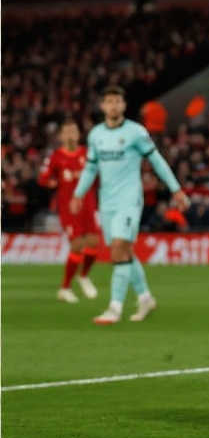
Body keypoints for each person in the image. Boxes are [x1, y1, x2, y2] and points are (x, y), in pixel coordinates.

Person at [71, 86, 189, 325]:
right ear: (103, 106)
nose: (113, 106)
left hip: (129, 200)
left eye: (117, 101)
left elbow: (157, 161)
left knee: (118, 248)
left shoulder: (136, 132)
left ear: (124, 105)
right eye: (109, 102)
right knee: (124, 252)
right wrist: (78, 194)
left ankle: (114, 308)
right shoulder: (96, 135)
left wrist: (175, 189)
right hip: (107, 203)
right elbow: (91, 168)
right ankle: (145, 298)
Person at [37, 120, 101, 303]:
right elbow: (43, 178)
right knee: (77, 244)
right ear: (61, 136)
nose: (71, 135)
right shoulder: (55, 156)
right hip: (69, 208)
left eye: (74, 131)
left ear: (79, 135)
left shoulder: (88, 153)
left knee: (94, 243)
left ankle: (84, 276)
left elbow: (98, 175)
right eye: (67, 132)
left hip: (88, 205)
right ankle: (65, 288)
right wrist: (54, 182)